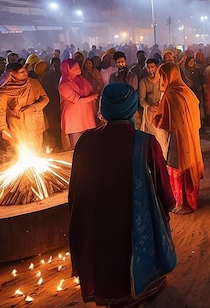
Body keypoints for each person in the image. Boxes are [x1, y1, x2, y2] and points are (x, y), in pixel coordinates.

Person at [69, 83, 176, 308]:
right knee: (130, 251)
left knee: (106, 254)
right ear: (132, 108)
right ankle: (143, 290)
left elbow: (76, 186)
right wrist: (167, 205)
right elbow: (160, 184)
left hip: (97, 218)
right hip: (134, 218)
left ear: (104, 108)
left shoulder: (86, 141)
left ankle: (109, 294)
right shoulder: (145, 143)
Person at [154, 62, 204, 214]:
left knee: (176, 167)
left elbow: (164, 123)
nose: (161, 80)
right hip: (191, 136)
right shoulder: (186, 91)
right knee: (189, 166)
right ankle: (191, 201)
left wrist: (156, 114)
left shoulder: (170, 95)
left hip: (177, 138)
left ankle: (179, 203)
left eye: (162, 76)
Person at [0, 63, 49, 151]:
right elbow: (0, 110)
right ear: (11, 74)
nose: (25, 73)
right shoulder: (4, 90)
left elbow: (45, 99)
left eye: (25, 70)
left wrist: (33, 107)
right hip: (17, 123)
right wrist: (3, 128)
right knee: (22, 149)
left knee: (37, 148)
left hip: (35, 120)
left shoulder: (34, 83)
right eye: (21, 72)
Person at [58, 59, 99, 149]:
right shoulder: (64, 84)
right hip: (73, 117)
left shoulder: (81, 79)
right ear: (68, 70)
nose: (78, 68)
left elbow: (91, 89)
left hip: (85, 114)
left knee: (88, 143)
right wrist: (93, 97)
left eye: (78, 66)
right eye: (75, 67)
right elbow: (77, 100)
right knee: (77, 145)